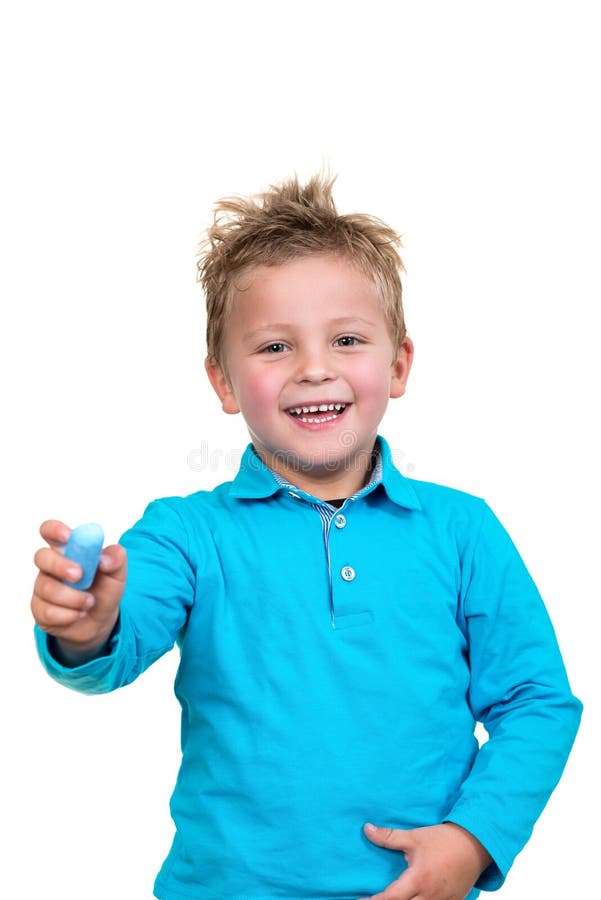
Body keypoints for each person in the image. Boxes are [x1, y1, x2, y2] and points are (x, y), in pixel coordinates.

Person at [31, 174, 582, 900]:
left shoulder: (462, 529)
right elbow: (116, 643)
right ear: (224, 384)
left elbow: (535, 701)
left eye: (346, 339)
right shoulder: (186, 532)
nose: (314, 368)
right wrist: (88, 625)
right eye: (274, 347)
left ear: (398, 364)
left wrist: (472, 841)